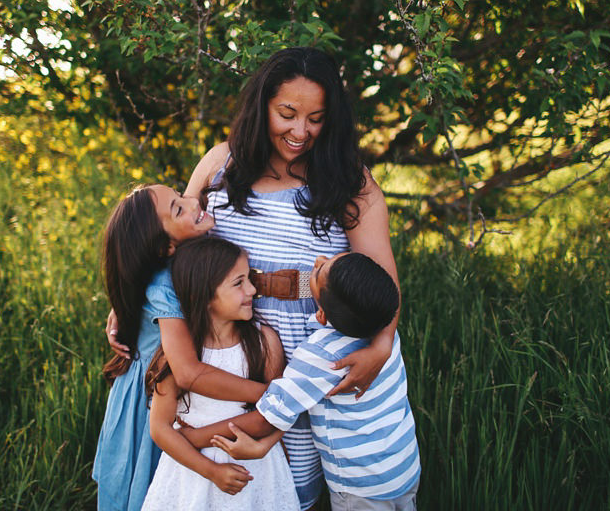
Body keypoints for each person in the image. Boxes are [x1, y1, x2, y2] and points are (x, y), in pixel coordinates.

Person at [107, 46, 401, 508]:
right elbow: (176, 243)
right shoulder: (221, 163)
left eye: (317, 118)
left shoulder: (348, 181)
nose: (300, 131)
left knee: (327, 479)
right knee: (256, 480)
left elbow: (381, 278)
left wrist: (381, 345)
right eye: (287, 113)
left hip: (320, 343)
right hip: (238, 347)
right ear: (262, 104)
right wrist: (131, 302)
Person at [191, 252, 421, 510]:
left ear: (321, 315)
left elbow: (264, 418)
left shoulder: (320, 356)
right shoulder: (384, 334)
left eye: (317, 273)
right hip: (404, 467)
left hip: (361, 486)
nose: (318, 260)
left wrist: (195, 437)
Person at [92, 185, 268, 511]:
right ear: (165, 247)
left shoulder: (182, 261)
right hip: (149, 398)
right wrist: (264, 392)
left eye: (180, 194)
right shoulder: (163, 286)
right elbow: (186, 372)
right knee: (149, 492)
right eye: (178, 209)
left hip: (169, 390)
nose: (192, 202)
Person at [141, 237, 300, 511]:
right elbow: (159, 427)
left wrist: (266, 444)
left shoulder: (264, 343)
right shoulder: (180, 354)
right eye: (239, 283)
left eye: (249, 278)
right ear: (203, 295)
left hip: (256, 469)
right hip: (192, 470)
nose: (252, 289)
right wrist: (211, 470)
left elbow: (278, 413)